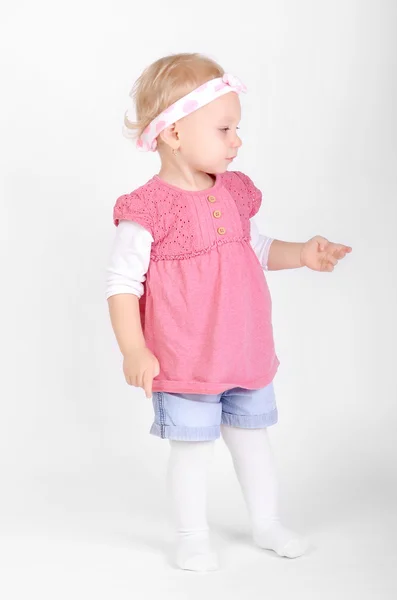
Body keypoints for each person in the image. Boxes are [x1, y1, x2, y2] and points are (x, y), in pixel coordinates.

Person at [106, 52, 352, 572]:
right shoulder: (147, 210)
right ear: (174, 135)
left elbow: (258, 249)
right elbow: (123, 285)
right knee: (192, 452)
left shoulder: (234, 196)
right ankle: (191, 536)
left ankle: (266, 522)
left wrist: (303, 253)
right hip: (186, 360)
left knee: (252, 441)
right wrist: (134, 347)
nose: (236, 140)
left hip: (244, 351)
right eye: (224, 129)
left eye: (236, 128)